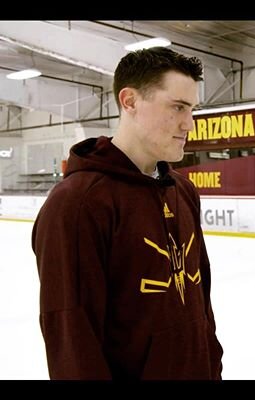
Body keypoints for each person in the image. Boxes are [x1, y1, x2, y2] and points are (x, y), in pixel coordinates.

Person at [31, 47, 223, 380]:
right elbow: (73, 342)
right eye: (177, 107)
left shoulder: (182, 190)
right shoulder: (77, 204)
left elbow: (200, 305)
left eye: (192, 109)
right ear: (130, 101)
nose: (189, 123)